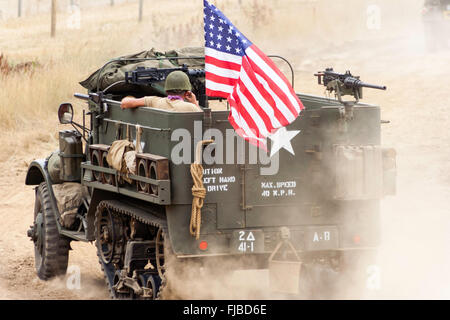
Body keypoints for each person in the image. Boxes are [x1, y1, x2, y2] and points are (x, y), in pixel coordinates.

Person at [120, 70, 202, 112]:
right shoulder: (190, 108)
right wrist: (194, 102)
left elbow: (124, 103)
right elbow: (203, 123)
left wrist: (130, 96)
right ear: (187, 93)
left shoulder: (154, 101)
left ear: (166, 91)